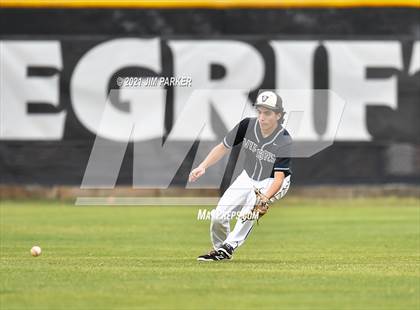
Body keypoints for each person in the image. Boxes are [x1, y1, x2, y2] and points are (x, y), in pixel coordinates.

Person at [189, 90, 292, 261]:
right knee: (218, 217)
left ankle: (228, 247)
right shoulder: (247, 125)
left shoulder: (284, 140)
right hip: (248, 177)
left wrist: (265, 198)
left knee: (251, 207)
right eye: (259, 111)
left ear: (278, 115)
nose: (262, 117)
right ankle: (220, 250)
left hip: (272, 181)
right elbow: (223, 146)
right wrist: (203, 166)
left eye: (267, 113)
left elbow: (279, 179)